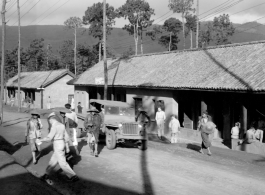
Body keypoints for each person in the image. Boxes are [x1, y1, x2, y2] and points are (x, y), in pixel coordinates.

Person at [40, 112, 79, 183]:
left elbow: (49, 138)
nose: (50, 122)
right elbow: (66, 137)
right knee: (53, 161)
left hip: (57, 144)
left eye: (49, 120)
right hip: (62, 143)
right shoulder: (61, 125)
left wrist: (41, 140)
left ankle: (73, 176)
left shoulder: (54, 126)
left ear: (51, 119)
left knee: (62, 162)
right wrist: (67, 146)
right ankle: (46, 174)